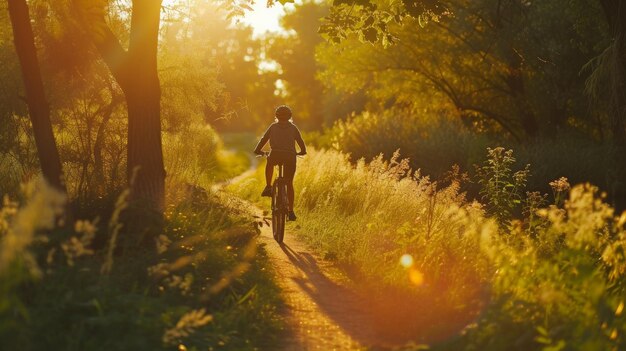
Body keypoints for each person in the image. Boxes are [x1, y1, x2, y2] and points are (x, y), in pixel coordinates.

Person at [253, 105, 307, 221]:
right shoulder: (293, 128)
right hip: (290, 156)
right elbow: (300, 141)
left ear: (276, 116)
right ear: (290, 116)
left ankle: (268, 186)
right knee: (289, 183)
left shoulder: (273, 127)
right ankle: (291, 211)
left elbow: (264, 139)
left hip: (276, 154)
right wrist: (302, 151)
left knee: (270, 162)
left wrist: (258, 150)